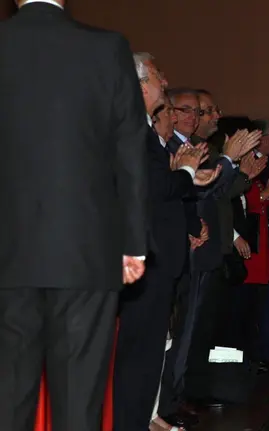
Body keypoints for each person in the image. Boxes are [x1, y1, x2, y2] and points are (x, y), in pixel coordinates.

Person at [0, 1, 148, 430]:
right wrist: (133, 242)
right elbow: (130, 150)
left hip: (6, 251)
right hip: (87, 249)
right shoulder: (106, 48)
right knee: (79, 401)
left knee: (7, 399)